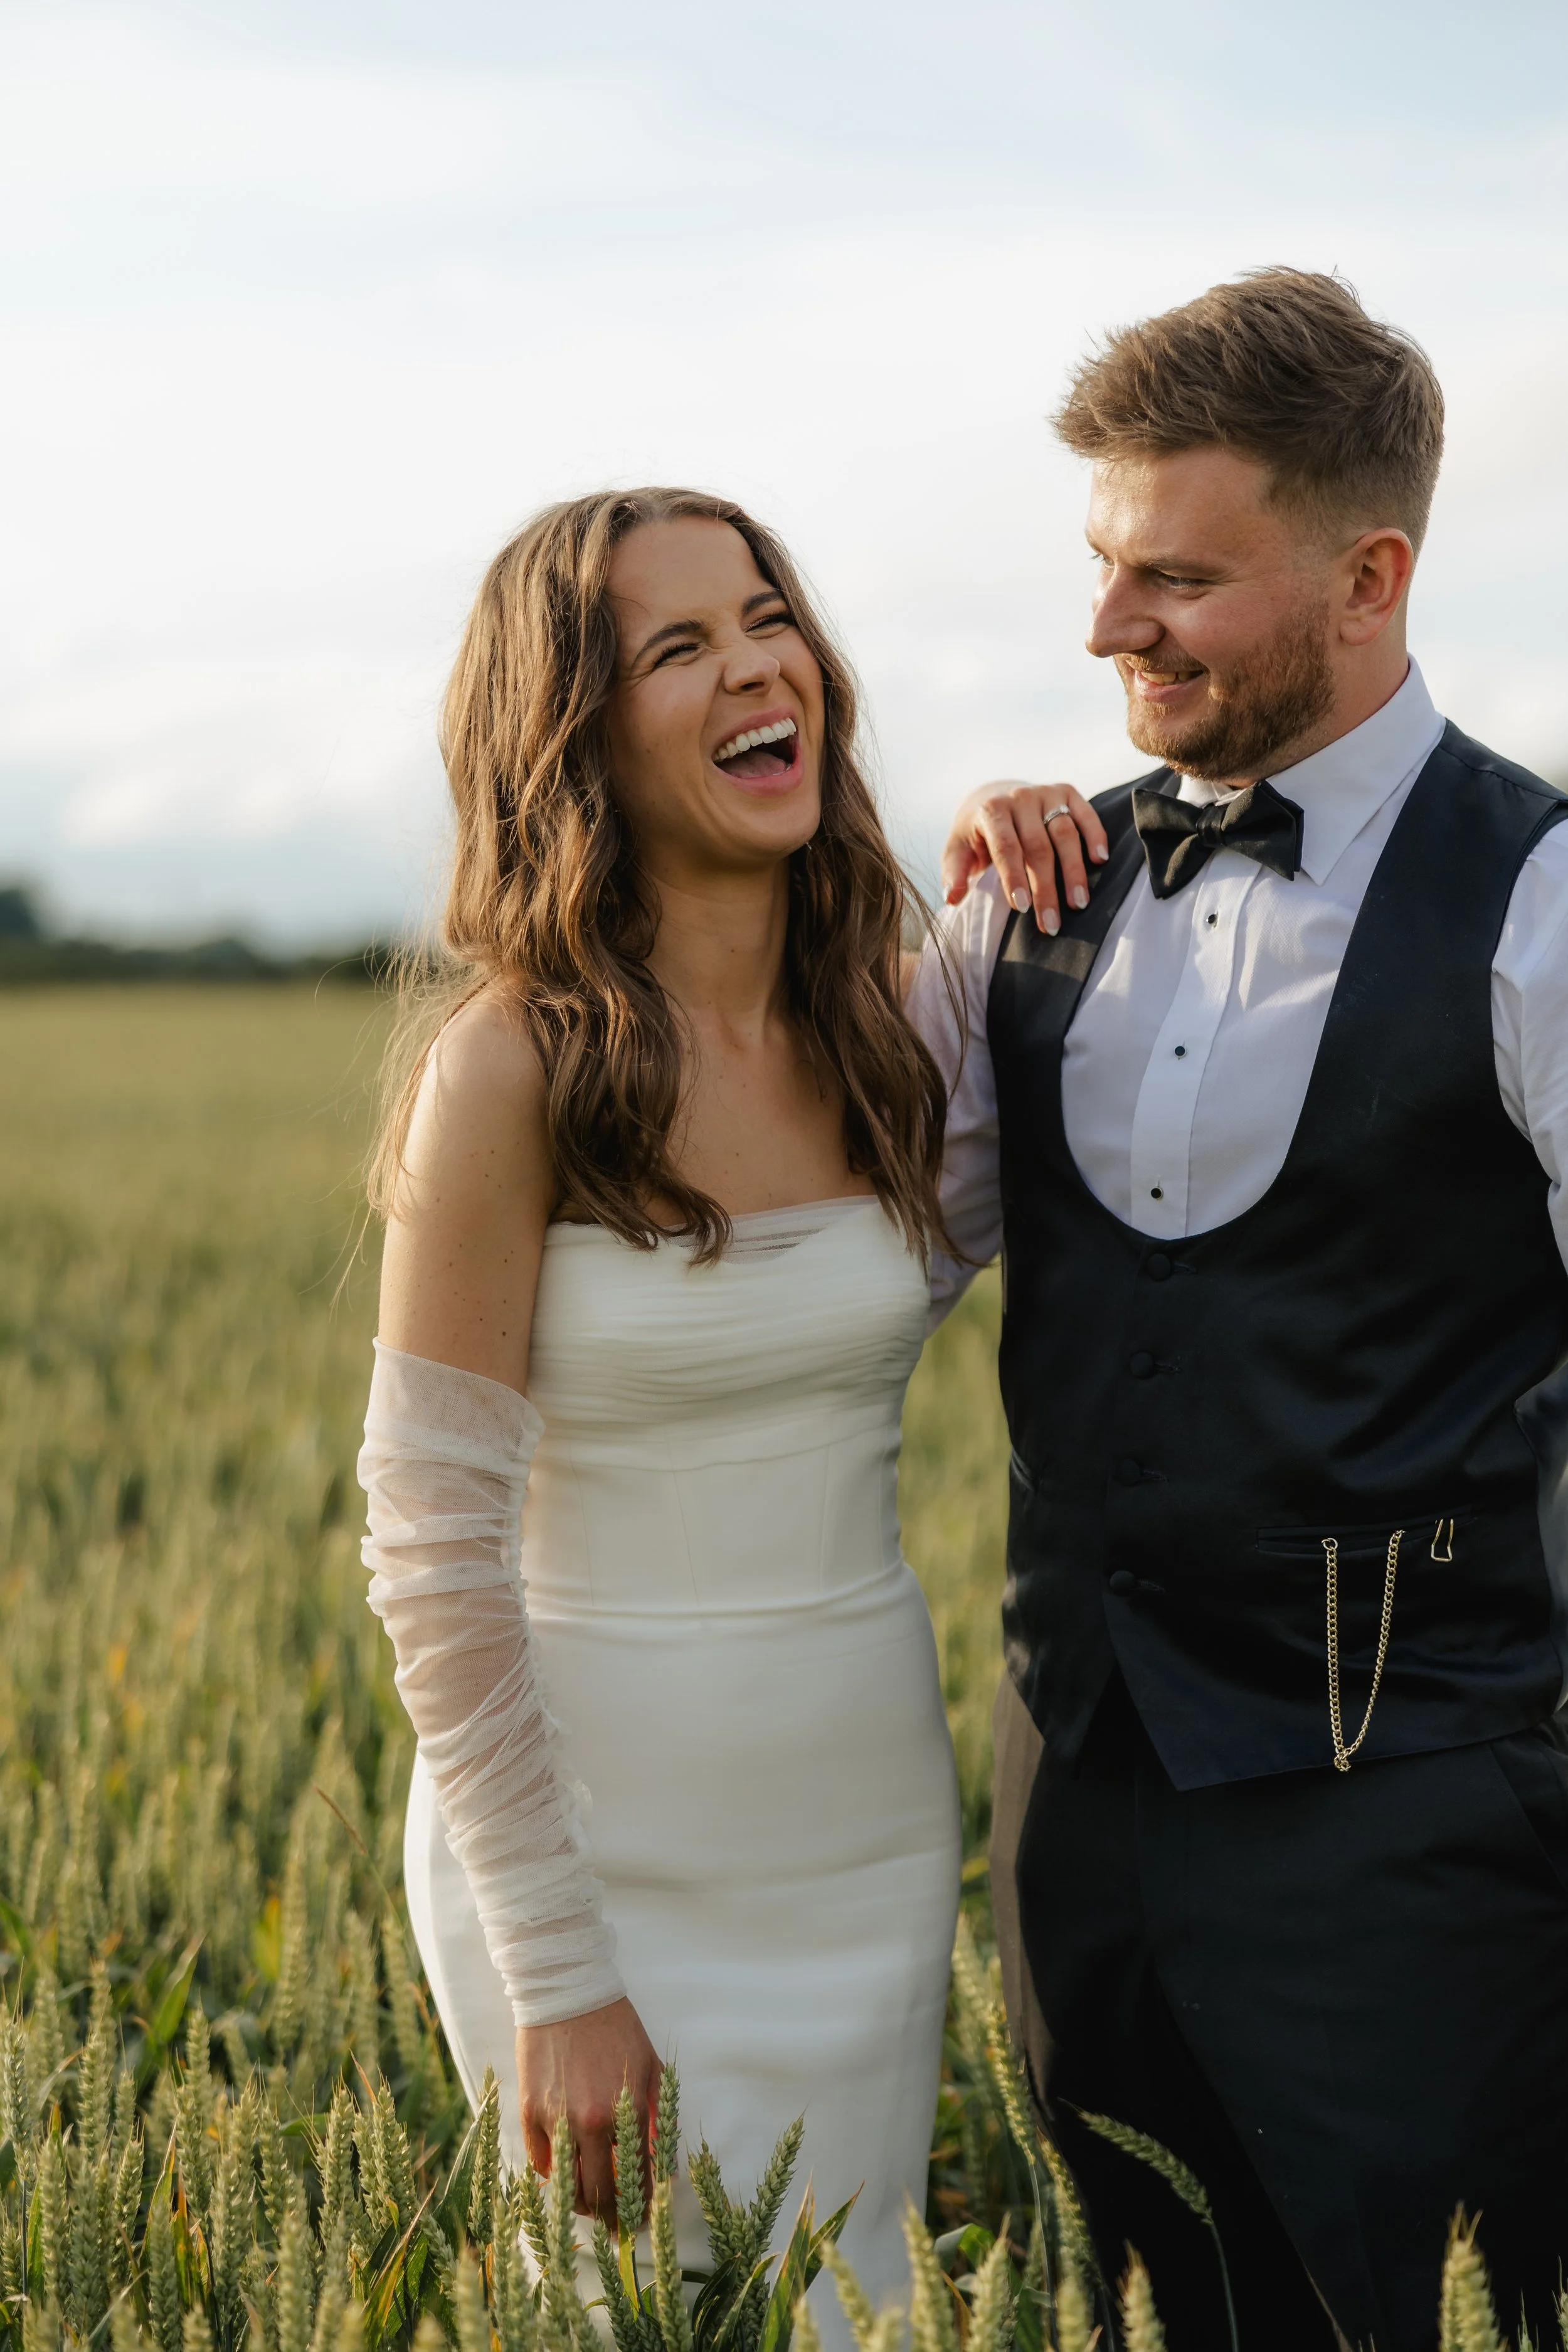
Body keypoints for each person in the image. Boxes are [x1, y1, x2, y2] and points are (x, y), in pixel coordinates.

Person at [354, 488, 1099, 2328]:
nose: (753, 663)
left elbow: (1046, 1180)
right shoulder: (510, 1065)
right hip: (595, 1871)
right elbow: (432, 1557)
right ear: (571, 739)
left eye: (764, 617)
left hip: (855, 1844)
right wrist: (555, 1969)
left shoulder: (892, 1032)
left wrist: (1007, 860)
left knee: (848, 2305)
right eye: (673, 647)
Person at [918, 268, 1568, 2350]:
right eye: (1105, 569)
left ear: (1369, 574)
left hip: (1407, 1819)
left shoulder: (1541, 900)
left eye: (1174, 580)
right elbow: (815, 1244)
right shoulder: (1035, 888)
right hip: (1068, 1791)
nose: (1108, 628)